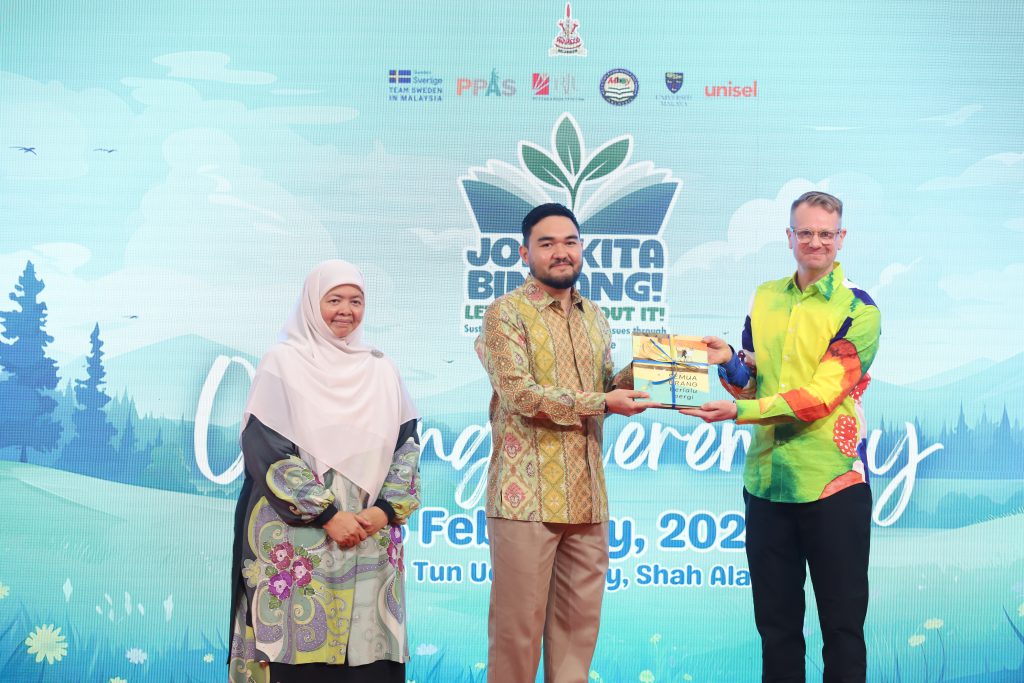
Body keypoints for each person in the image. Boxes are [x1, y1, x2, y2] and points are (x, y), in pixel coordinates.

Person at [681, 191, 881, 682]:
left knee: (842, 629)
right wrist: (729, 361)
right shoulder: (765, 297)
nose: (815, 242)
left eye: (825, 234)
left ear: (841, 238)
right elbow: (754, 381)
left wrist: (740, 410)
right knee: (776, 630)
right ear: (789, 237)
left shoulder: (860, 309)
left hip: (832, 485)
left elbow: (821, 396)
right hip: (766, 485)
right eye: (805, 232)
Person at [475, 202, 656, 683]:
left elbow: (605, 388)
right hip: (525, 500)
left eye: (570, 242)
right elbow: (519, 394)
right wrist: (602, 400)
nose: (561, 252)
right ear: (524, 253)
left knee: (578, 638)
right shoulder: (505, 314)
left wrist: (661, 362)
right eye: (548, 243)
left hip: (587, 498)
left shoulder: (595, 316)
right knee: (516, 638)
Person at [228, 260, 421, 683]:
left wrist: (384, 511)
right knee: (299, 656)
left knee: (370, 658)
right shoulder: (282, 362)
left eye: (356, 301)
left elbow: (407, 446)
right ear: (312, 303)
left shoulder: (381, 368)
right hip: (299, 538)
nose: (346, 310)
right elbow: (266, 449)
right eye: (334, 300)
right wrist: (329, 515)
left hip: (369, 537)